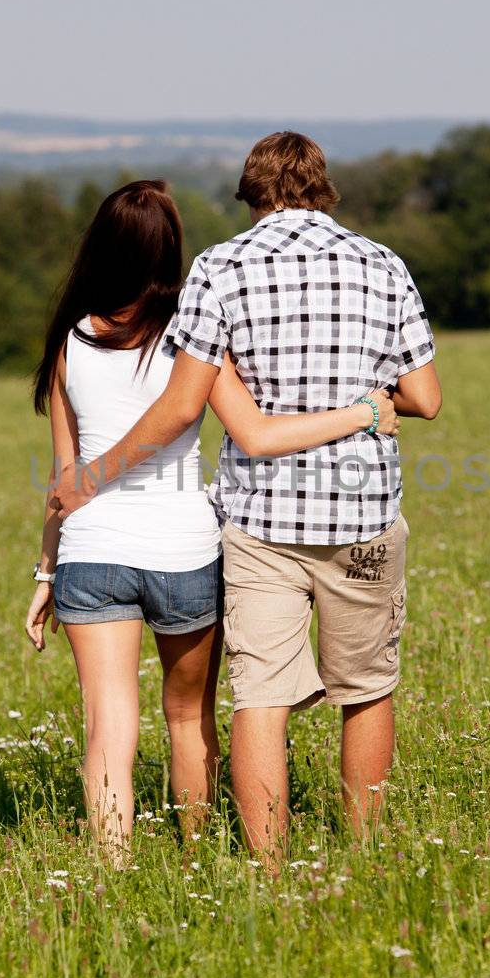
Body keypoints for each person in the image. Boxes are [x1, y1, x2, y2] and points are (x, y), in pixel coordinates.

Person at [50, 138, 441, 863]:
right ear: (322, 187)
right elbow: (425, 396)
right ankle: (368, 855)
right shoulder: (384, 264)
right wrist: (368, 404)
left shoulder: (220, 268)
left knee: (260, 697)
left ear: (249, 193)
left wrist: (84, 485)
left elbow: (191, 405)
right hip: (361, 512)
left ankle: (268, 870)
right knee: (367, 688)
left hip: (261, 523)